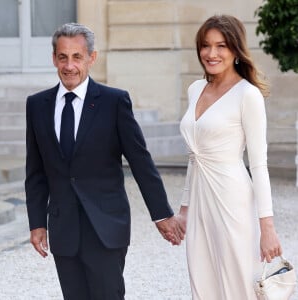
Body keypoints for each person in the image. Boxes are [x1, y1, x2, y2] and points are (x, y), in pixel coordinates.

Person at [25, 23, 184, 300]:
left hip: (106, 227)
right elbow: (36, 172)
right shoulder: (37, 105)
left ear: (91, 58)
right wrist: (37, 223)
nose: (69, 65)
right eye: (63, 57)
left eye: (77, 57)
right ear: (54, 59)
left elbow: (140, 162)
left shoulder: (114, 102)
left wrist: (162, 214)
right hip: (64, 230)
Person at [176, 15, 282, 299]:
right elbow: (193, 156)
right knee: (202, 283)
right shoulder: (195, 89)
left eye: (221, 46)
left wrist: (267, 228)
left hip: (232, 200)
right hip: (199, 201)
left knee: (239, 286)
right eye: (206, 46)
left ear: (236, 50)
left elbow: (259, 165)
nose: (212, 54)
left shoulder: (248, 95)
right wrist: (184, 209)